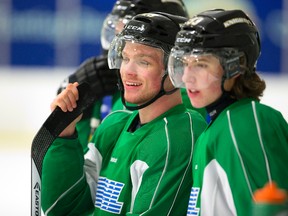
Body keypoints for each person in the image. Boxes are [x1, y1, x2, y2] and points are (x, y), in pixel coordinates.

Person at [42, 12, 207, 215]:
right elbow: (65, 209)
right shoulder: (115, 123)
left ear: (176, 70)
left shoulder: (177, 138)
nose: (128, 70)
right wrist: (64, 137)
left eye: (143, 62)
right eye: (126, 58)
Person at [167, 9, 288, 216]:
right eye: (184, 64)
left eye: (201, 64)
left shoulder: (244, 122)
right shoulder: (217, 125)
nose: (187, 77)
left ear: (236, 66)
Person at [55, 0, 206, 149]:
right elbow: (88, 163)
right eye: (118, 37)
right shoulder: (110, 85)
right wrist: (76, 121)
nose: (121, 51)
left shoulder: (180, 97)